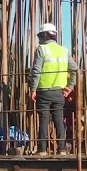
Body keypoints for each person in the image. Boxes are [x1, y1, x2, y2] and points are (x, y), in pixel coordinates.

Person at [28, 23, 79, 155]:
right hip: (59, 93)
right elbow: (75, 69)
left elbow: (36, 70)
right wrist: (69, 87)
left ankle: (42, 150)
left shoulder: (42, 49)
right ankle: (62, 149)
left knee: (44, 120)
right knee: (58, 119)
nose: (39, 38)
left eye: (40, 35)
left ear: (45, 35)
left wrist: (33, 89)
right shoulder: (63, 50)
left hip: (44, 91)